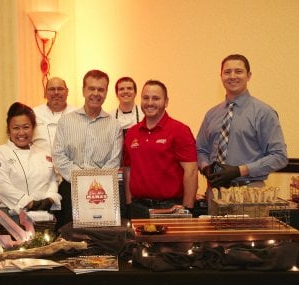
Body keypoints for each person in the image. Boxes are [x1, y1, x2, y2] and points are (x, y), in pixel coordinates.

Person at [196, 54, 288, 202]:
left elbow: (279, 157)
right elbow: (201, 149)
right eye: (227, 72)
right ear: (221, 76)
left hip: (250, 193)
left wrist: (240, 170)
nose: (232, 76)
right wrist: (206, 167)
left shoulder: (264, 113)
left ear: (249, 75)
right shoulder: (211, 114)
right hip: (215, 193)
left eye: (238, 71)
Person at [52, 69, 123, 229]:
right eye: (91, 88)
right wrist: (81, 181)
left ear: (106, 93)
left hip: (102, 194)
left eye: (101, 89)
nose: (96, 93)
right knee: (70, 241)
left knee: (101, 239)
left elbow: (114, 161)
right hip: (70, 190)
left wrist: (92, 184)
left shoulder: (114, 125)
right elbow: (59, 156)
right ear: (84, 90)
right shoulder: (66, 121)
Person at [123, 80, 198, 218]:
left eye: (156, 98)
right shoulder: (131, 133)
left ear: (166, 102)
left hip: (170, 208)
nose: (150, 102)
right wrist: (129, 204)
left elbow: (191, 171)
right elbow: (128, 170)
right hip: (138, 207)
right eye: (145, 98)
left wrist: (188, 209)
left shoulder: (180, 131)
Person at [0, 102, 61, 220]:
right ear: (8, 129)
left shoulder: (43, 153)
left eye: (26, 127)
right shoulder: (0, 154)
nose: (21, 133)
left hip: (43, 217)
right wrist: (29, 202)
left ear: (33, 127)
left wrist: (50, 198)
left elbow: (52, 179)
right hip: (9, 217)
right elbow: (2, 186)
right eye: (16, 128)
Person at [109, 77, 144, 218]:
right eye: (121, 89)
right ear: (116, 93)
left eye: (129, 88)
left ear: (135, 92)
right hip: (115, 175)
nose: (125, 91)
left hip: (138, 173)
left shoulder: (144, 115)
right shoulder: (109, 117)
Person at [33, 77, 76, 153]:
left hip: (70, 163)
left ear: (67, 91)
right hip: (40, 163)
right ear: (45, 92)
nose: (56, 92)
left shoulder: (77, 114)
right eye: (52, 89)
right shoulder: (34, 114)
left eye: (60, 89)